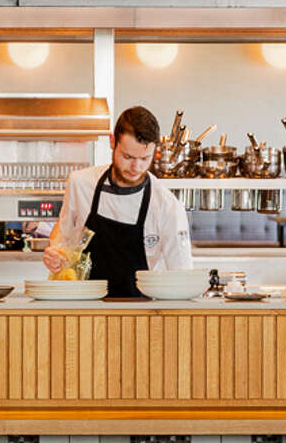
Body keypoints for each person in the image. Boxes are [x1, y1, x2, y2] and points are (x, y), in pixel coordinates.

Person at [43, 105, 193, 298]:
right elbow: (63, 236)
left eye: (144, 158)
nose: (136, 167)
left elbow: (181, 276)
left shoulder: (167, 205)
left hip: (140, 312)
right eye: (128, 156)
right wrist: (55, 254)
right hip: (83, 308)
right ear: (113, 141)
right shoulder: (81, 184)